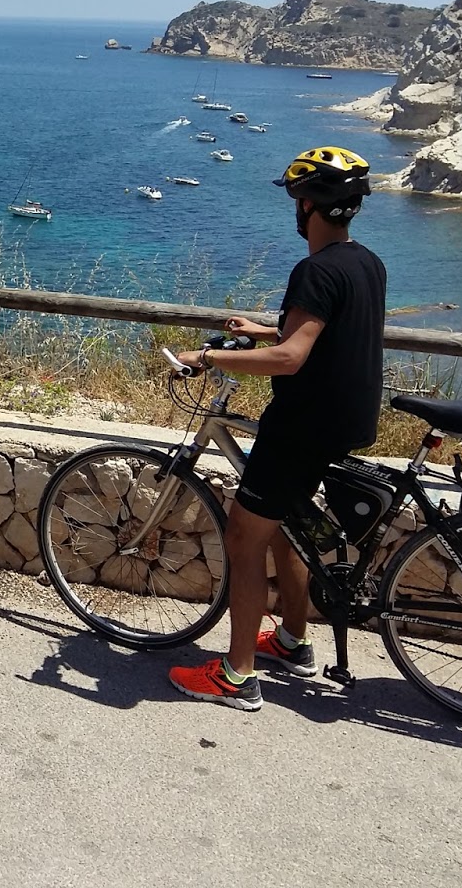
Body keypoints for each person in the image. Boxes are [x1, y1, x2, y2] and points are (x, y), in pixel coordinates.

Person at [168, 146, 386, 711]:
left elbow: (292, 358)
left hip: (302, 427)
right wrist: (263, 331)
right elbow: (324, 333)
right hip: (347, 420)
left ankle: (237, 676)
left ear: (306, 204)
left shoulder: (314, 270)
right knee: (289, 525)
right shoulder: (365, 262)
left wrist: (210, 357)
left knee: (245, 538)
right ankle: (292, 640)